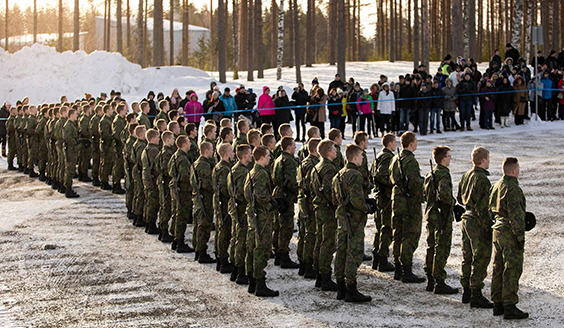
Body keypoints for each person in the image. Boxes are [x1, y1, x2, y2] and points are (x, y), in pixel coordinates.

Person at [333, 144, 377, 302]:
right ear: (355, 157)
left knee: (341, 252)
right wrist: (367, 207)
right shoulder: (355, 175)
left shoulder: (339, 174)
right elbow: (356, 199)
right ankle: (351, 288)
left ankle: (341, 287)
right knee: (354, 253)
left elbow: (336, 198)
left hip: (343, 218)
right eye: (362, 156)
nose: (363, 159)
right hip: (355, 220)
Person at [489, 157, 529, 320]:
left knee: (498, 267)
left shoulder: (497, 185)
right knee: (512, 268)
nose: (519, 171)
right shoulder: (512, 188)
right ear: (514, 171)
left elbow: (490, 208)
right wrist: (520, 235)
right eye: (518, 168)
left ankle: (497, 303)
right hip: (509, 231)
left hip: (497, 229)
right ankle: (509, 306)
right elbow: (516, 214)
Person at [457, 146, 494, 308]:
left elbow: (459, 197)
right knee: (481, 256)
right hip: (478, 220)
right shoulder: (483, 180)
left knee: (467, 256)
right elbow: (485, 207)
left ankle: (466, 290)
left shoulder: (466, 175)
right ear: (484, 160)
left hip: (466, 217)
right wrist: (488, 227)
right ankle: (476, 293)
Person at [244, 145, 280, 297]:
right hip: (262, 216)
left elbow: (246, 192)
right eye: (268, 156)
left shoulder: (251, 172)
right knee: (262, 248)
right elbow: (260, 195)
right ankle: (259, 283)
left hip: (254, 214)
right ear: (261, 157)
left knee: (253, 247)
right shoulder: (261, 174)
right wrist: (270, 204)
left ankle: (253, 281)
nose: (270, 158)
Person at [389, 131, 425, 283]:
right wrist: (421, 192)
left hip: (397, 199)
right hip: (408, 202)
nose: (416, 144)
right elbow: (414, 184)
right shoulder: (410, 161)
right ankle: (406, 270)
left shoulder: (396, 158)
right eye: (416, 141)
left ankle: (398, 267)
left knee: (398, 235)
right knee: (409, 236)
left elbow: (391, 176)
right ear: (411, 144)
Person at [423, 146, 458, 294]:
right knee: (441, 247)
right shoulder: (443, 174)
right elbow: (444, 194)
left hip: (431, 214)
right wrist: (452, 202)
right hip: (441, 216)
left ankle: (430, 277)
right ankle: (439, 280)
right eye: (449, 156)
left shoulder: (431, 174)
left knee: (431, 245)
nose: (450, 159)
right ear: (443, 159)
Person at [311, 139, 339, 290]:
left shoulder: (318, 166)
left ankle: (319, 275)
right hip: (327, 209)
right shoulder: (328, 169)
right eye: (334, 149)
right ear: (328, 153)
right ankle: (325, 276)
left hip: (319, 207)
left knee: (320, 241)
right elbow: (330, 191)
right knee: (327, 243)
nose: (336, 151)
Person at [272, 137, 300, 269]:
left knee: (279, 225)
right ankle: (283, 255)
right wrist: (299, 189)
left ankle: (278, 254)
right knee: (286, 227)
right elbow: (290, 181)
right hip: (286, 197)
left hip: (278, 194)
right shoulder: (289, 161)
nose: (295, 147)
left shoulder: (278, 158)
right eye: (294, 145)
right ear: (289, 147)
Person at [370, 133, 397, 272]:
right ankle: (382, 258)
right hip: (385, 198)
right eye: (395, 142)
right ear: (390, 144)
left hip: (381, 197)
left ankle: (377, 257)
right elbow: (380, 175)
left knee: (380, 228)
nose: (396, 145)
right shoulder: (387, 157)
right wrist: (393, 183)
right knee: (386, 228)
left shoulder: (380, 156)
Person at [227, 144, 253, 284]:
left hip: (235, 207)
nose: (251, 156)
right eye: (249, 154)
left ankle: (235, 270)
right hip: (241, 209)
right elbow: (243, 193)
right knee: (241, 240)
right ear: (244, 156)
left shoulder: (234, 169)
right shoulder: (242, 172)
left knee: (236, 238)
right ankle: (240, 271)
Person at [296, 138, 321, 279]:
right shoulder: (313, 164)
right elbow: (313, 186)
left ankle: (303, 264)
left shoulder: (304, 162)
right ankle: (308, 265)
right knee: (310, 234)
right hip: (310, 203)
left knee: (304, 234)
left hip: (304, 201)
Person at [168, 135, 195, 253]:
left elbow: (170, 170)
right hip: (182, 190)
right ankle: (179, 241)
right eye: (188, 142)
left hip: (176, 188)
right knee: (181, 216)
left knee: (177, 214)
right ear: (184, 144)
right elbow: (185, 176)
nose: (190, 143)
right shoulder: (183, 159)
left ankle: (175, 239)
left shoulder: (175, 155)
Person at [191, 141, 216, 264]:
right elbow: (207, 184)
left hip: (199, 199)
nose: (213, 152)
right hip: (204, 199)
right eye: (211, 150)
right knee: (204, 227)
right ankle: (201, 252)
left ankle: (198, 249)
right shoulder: (204, 165)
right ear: (206, 151)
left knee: (198, 225)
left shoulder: (197, 163)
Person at [213, 143, 235, 273]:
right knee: (224, 232)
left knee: (222, 231)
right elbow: (224, 189)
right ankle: (222, 260)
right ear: (226, 154)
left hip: (221, 203)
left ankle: (220, 258)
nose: (233, 154)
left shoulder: (220, 167)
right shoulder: (224, 169)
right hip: (224, 203)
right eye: (231, 152)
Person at [141, 129, 161, 234]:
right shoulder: (153, 151)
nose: (159, 139)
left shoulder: (146, 149)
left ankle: (149, 223)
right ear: (153, 139)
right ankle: (151, 224)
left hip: (147, 179)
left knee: (149, 201)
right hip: (152, 179)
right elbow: (156, 166)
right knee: (153, 202)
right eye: (157, 137)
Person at [131, 125, 148, 227]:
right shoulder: (141, 145)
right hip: (139, 171)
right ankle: (138, 216)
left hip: (137, 170)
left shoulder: (138, 143)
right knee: (140, 194)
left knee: (138, 194)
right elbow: (140, 160)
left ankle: (137, 215)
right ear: (141, 134)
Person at [62, 109, 80, 198]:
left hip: (72, 149)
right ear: (72, 115)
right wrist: (76, 141)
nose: (77, 116)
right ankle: (67, 189)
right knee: (69, 169)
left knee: (71, 169)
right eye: (76, 114)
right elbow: (67, 138)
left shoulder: (71, 124)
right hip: (70, 150)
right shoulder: (68, 125)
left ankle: (69, 187)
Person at [111, 104, 127, 194]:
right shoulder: (118, 121)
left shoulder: (121, 120)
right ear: (121, 111)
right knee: (118, 165)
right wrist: (123, 139)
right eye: (124, 110)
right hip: (119, 146)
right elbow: (117, 134)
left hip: (121, 145)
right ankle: (116, 184)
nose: (126, 112)